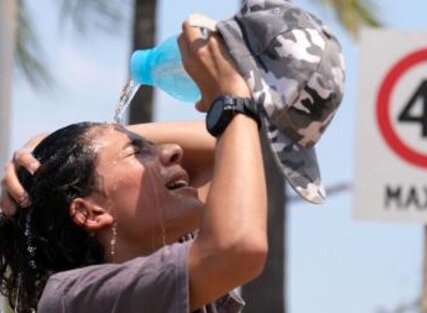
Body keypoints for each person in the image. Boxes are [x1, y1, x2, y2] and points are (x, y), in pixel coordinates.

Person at [0, 17, 267, 313]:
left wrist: (64, 139)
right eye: (137, 152)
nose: (174, 151)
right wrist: (232, 97)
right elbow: (238, 247)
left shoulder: (177, 270)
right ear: (89, 212)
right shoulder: (71, 299)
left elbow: (232, 146)